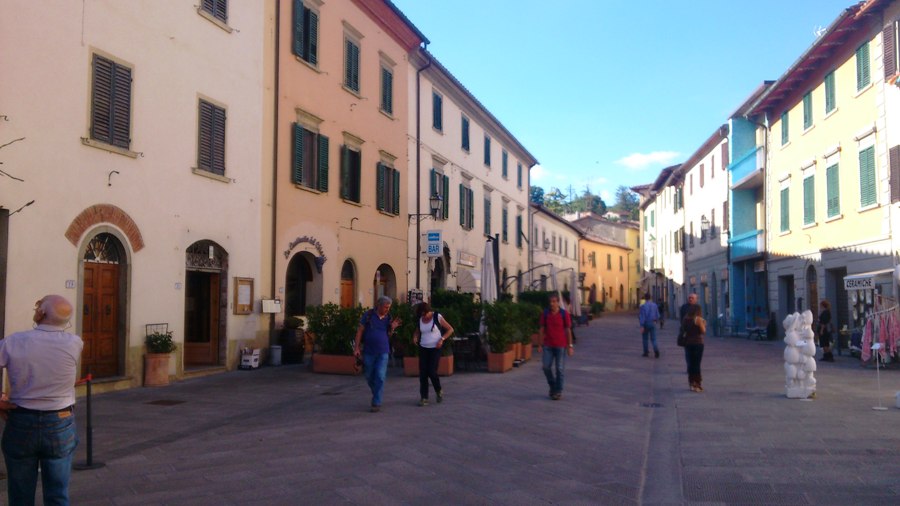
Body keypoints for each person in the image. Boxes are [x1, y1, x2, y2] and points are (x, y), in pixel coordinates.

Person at [0, 295, 84, 505]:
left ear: (41, 313)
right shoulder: (75, 343)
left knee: (20, 494)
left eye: (38, 306)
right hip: (60, 420)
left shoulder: (13, 341)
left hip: (21, 419)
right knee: (58, 494)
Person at [354, 296, 401, 412]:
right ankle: (376, 393)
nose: (387, 309)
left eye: (389, 307)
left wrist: (392, 328)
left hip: (383, 351)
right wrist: (357, 348)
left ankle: (376, 402)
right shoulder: (368, 315)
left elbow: (388, 334)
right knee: (369, 376)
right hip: (369, 351)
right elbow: (360, 331)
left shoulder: (388, 317)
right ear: (379, 305)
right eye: (385, 307)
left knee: (380, 376)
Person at [412, 302, 454, 406]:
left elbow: (450, 329)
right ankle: (424, 397)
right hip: (423, 347)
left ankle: (438, 390)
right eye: (422, 315)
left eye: (425, 314)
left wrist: (442, 339)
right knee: (423, 373)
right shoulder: (420, 319)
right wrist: (415, 337)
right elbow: (417, 331)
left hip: (435, 347)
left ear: (428, 311)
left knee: (431, 371)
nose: (424, 317)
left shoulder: (437, 316)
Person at [537, 293, 574, 400]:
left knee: (559, 369)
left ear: (558, 303)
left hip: (560, 346)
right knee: (546, 367)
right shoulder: (545, 313)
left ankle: (558, 391)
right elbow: (541, 329)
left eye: (554, 301)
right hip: (548, 345)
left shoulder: (564, 314)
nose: (551, 304)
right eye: (550, 302)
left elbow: (568, 330)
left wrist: (570, 346)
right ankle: (553, 386)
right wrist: (539, 344)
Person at [682, 304, 706, 392]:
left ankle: (691, 383)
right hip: (697, 343)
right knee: (697, 364)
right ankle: (697, 383)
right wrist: (704, 323)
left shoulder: (685, 319)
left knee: (691, 364)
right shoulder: (698, 319)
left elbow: (684, 330)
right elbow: (703, 331)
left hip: (688, 343)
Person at [639, 293, 660, 358]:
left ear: (645, 298)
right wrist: (656, 321)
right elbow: (657, 315)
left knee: (645, 338)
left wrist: (642, 325)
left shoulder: (643, 306)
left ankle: (646, 352)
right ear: (650, 297)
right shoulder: (655, 305)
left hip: (646, 323)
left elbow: (642, 316)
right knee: (653, 339)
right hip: (653, 323)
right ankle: (656, 350)